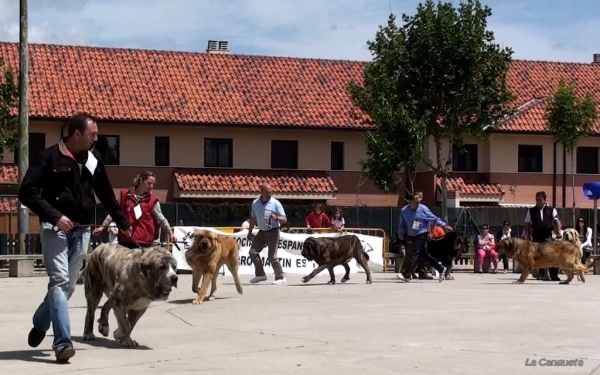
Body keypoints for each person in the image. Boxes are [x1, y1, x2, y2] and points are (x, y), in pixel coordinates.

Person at [18, 113, 131, 363]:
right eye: (93, 134)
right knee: (59, 281)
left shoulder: (94, 159)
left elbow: (105, 192)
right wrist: (55, 216)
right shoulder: (48, 157)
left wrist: (122, 222)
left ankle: (40, 322)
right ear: (77, 134)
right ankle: (62, 344)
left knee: (68, 287)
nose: (97, 138)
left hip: (82, 231)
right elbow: (27, 192)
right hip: (54, 230)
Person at [93, 171, 175, 248]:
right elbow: (114, 213)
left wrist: (170, 232)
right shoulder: (125, 196)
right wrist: (102, 227)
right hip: (125, 243)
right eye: (149, 183)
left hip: (145, 245)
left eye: (153, 184)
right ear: (141, 180)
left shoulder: (153, 201)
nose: (151, 187)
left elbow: (161, 219)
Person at [396, 191, 452, 282]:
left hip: (422, 234)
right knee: (424, 256)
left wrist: (444, 225)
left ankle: (406, 275)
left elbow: (433, 218)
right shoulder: (404, 211)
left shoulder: (423, 209)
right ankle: (441, 268)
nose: (418, 204)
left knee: (413, 253)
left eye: (418, 202)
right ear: (410, 201)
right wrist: (400, 232)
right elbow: (401, 224)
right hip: (411, 235)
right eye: (415, 202)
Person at [247, 182, 288, 285]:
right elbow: (253, 218)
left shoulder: (275, 203)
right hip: (261, 232)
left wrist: (277, 218)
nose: (269, 194)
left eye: (271, 192)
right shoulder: (255, 203)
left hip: (273, 231)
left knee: (272, 256)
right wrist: (250, 231)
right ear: (261, 192)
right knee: (253, 252)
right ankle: (260, 275)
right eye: (267, 193)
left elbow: (285, 219)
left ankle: (280, 276)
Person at [523, 191, 562, 281]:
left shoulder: (551, 210)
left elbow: (557, 221)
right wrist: (527, 235)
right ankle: (541, 274)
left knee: (551, 255)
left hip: (547, 236)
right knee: (538, 256)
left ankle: (553, 275)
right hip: (536, 236)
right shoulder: (531, 211)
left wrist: (558, 232)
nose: (538, 201)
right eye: (537, 200)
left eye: (540, 200)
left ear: (544, 200)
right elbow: (527, 224)